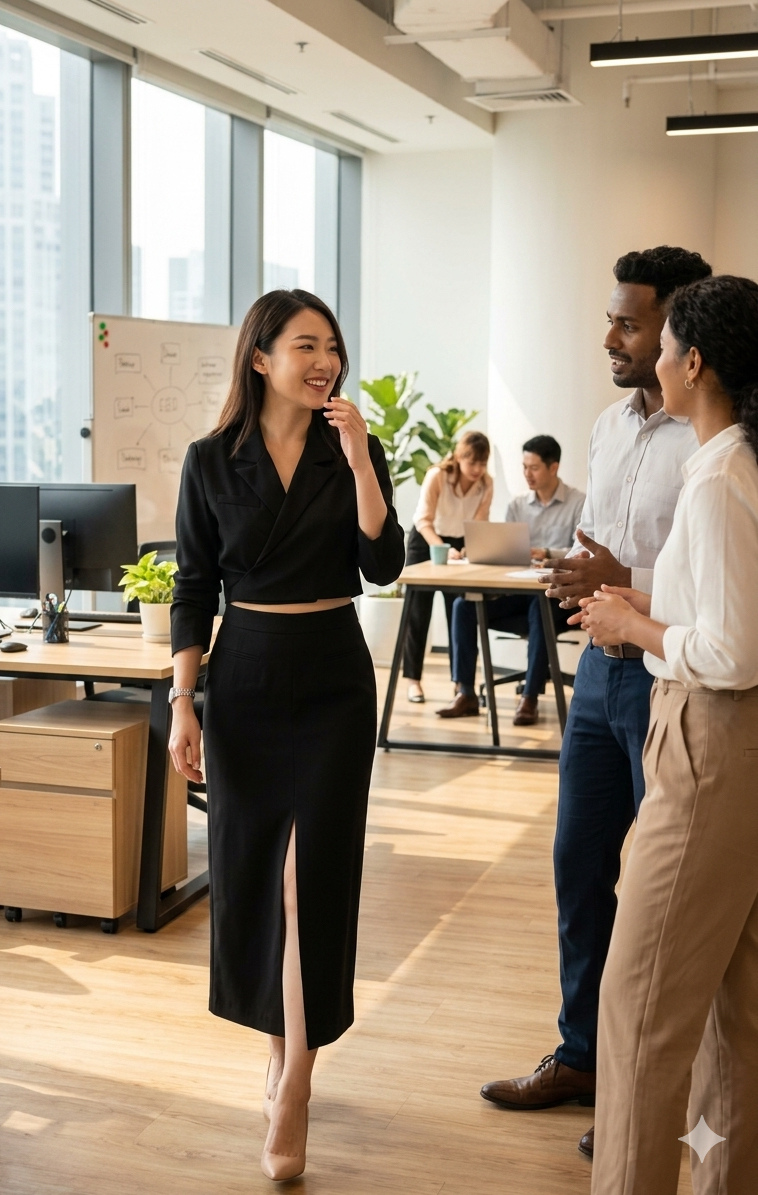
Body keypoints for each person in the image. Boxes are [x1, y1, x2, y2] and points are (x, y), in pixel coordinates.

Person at [478, 246, 712, 1159]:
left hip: (674, 679)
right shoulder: (610, 426)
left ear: (678, 329)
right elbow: (608, 547)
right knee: (581, 870)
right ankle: (585, 1057)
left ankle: (658, 1092)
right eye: (610, 317)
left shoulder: (718, 437)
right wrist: (581, 576)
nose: (609, 335)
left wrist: (626, 578)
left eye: (628, 321)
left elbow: (716, 578)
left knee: (668, 903)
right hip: (599, 676)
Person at [167, 289, 405, 1182]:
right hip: (249, 675)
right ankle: (282, 1046)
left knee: (315, 883)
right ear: (260, 356)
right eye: (306, 345)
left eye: (333, 347)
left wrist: (361, 461)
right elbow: (193, 586)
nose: (325, 362)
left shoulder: (353, 448)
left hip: (334, 672)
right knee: (258, 876)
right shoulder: (209, 460)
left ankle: (295, 1077)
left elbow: (382, 561)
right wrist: (182, 702)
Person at [580, 275, 758, 1194]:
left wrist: (634, 631)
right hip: (736, 748)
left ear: (695, 362)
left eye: (662, 345)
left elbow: (729, 651)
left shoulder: (723, 471)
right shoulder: (733, 462)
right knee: (736, 1012)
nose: (647, 357)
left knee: (639, 1005)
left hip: (709, 744)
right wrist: (642, 601)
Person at [436, 434, 584, 726]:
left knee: (538, 607)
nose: (527, 474)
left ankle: (529, 697)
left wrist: (547, 553)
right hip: (519, 592)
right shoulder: (518, 506)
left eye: (534, 468)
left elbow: (582, 552)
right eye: (524, 467)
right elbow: (505, 550)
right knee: (463, 608)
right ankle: (465, 693)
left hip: (557, 597)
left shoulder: (579, 503)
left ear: (553, 468)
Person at [402, 431, 492, 704]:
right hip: (426, 539)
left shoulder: (486, 485)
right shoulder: (437, 476)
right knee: (418, 615)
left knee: (459, 613)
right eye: (472, 462)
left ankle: (460, 683)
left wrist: (466, 549)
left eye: (482, 463)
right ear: (460, 457)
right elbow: (423, 519)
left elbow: (479, 524)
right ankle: (413, 681)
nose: (477, 469)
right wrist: (442, 548)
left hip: (459, 544)